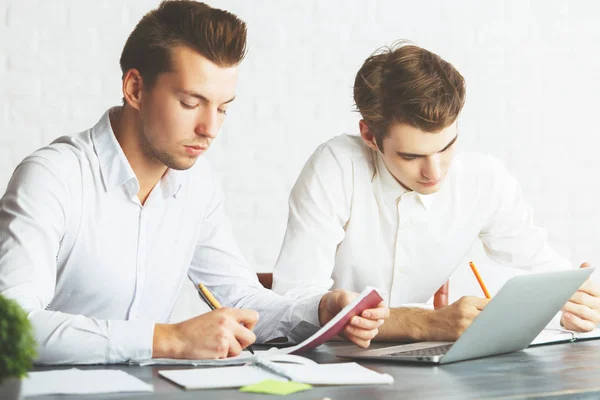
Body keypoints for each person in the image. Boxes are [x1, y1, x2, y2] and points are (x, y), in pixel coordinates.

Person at [0, 0, 388, 364]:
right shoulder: (53, 178)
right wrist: (167, 339)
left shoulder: (196, 184)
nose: (210, 129)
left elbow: (239, 299)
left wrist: (321, 310)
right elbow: (12, 327)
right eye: (190, 103)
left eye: (222, 109)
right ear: (135, 89)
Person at [272, 41, 600, 342]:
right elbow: (294, 304)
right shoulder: (337, 166)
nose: (435, 171)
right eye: (411, 156)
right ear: (370, 137)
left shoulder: (484, 180)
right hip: (331, 365)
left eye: (447, 146)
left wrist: (571, 308)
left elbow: (545, 270)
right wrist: (423, 322)